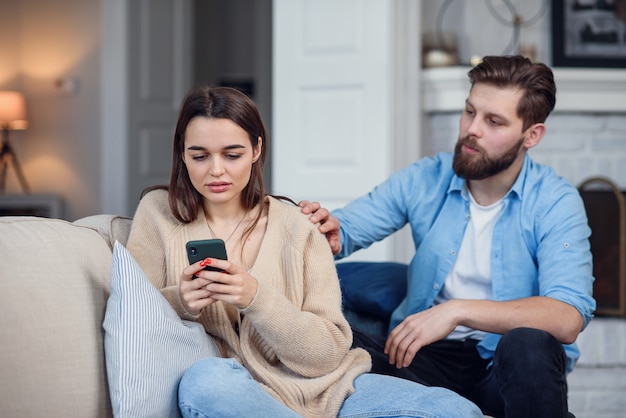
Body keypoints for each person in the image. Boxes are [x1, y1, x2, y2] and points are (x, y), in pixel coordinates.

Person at [125, 86, 482, 418]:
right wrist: (181, 300)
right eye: (199, 155)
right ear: (181, 154)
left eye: (232, 154)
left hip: (329, 390)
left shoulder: (298, 226)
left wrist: (256, 298)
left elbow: (327, 355)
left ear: (256, 150)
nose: (215, 170)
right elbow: (135, 313)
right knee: (205, 382)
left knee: (453, 409)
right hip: (239, 394)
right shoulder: (159, 214)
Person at [301, 55, 596, 418]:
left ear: (531, 135)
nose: (473, 129)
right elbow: (347, 228)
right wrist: (326, 231)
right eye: (470, 112)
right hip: (422, 359)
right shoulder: (426, 177)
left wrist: (456, 311)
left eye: (494, 121)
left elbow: (568, 316)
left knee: (529, 343)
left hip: (503, 368)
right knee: (326, 338)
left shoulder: (555, 201)